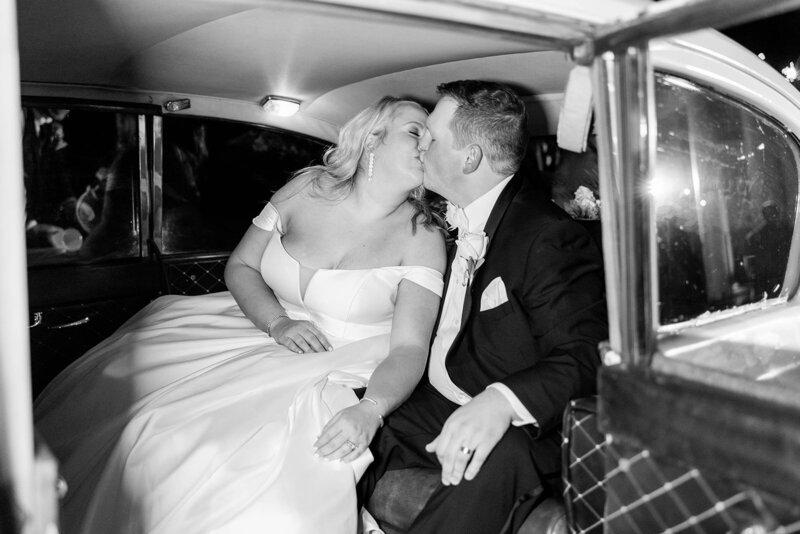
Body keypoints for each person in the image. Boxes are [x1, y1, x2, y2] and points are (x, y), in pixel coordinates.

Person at [34, 96, 446, 534]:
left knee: (246, 475)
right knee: (140, 414)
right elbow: (242, 266)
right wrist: (278, 322)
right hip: (258, 328)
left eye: (433, 138)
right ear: (372, 140)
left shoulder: (423, 237)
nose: (427, 144)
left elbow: (410, 347)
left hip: (335, 366)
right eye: (415, 132)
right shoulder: (306, 188)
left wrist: (371, 410)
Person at [359, 80, 608, 533]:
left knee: (497, 455)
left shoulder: (547, 236)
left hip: (529, 427)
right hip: (439, 401)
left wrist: (499, 403)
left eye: (431, 138)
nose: (422, 146)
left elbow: (586, 354)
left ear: (469, 158)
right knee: (345, 419)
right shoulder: (445, 220)